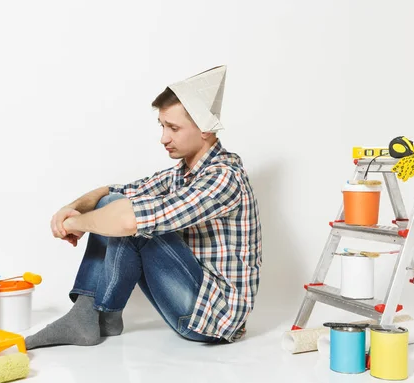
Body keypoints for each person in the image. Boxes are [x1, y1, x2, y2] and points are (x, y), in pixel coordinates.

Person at [25, 65, 262, 349]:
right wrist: (70, 208)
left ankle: (87, 317)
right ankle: (100, 318)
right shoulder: (181, 174)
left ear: (206, 131)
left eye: (173, 128)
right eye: (162, 126)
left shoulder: (223, 177)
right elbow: (111, 191)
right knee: (111, 204)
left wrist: (74, 225)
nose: (164, 138)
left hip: (211, 319)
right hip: (191, 304)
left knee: (127, 217)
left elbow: (128, 220)